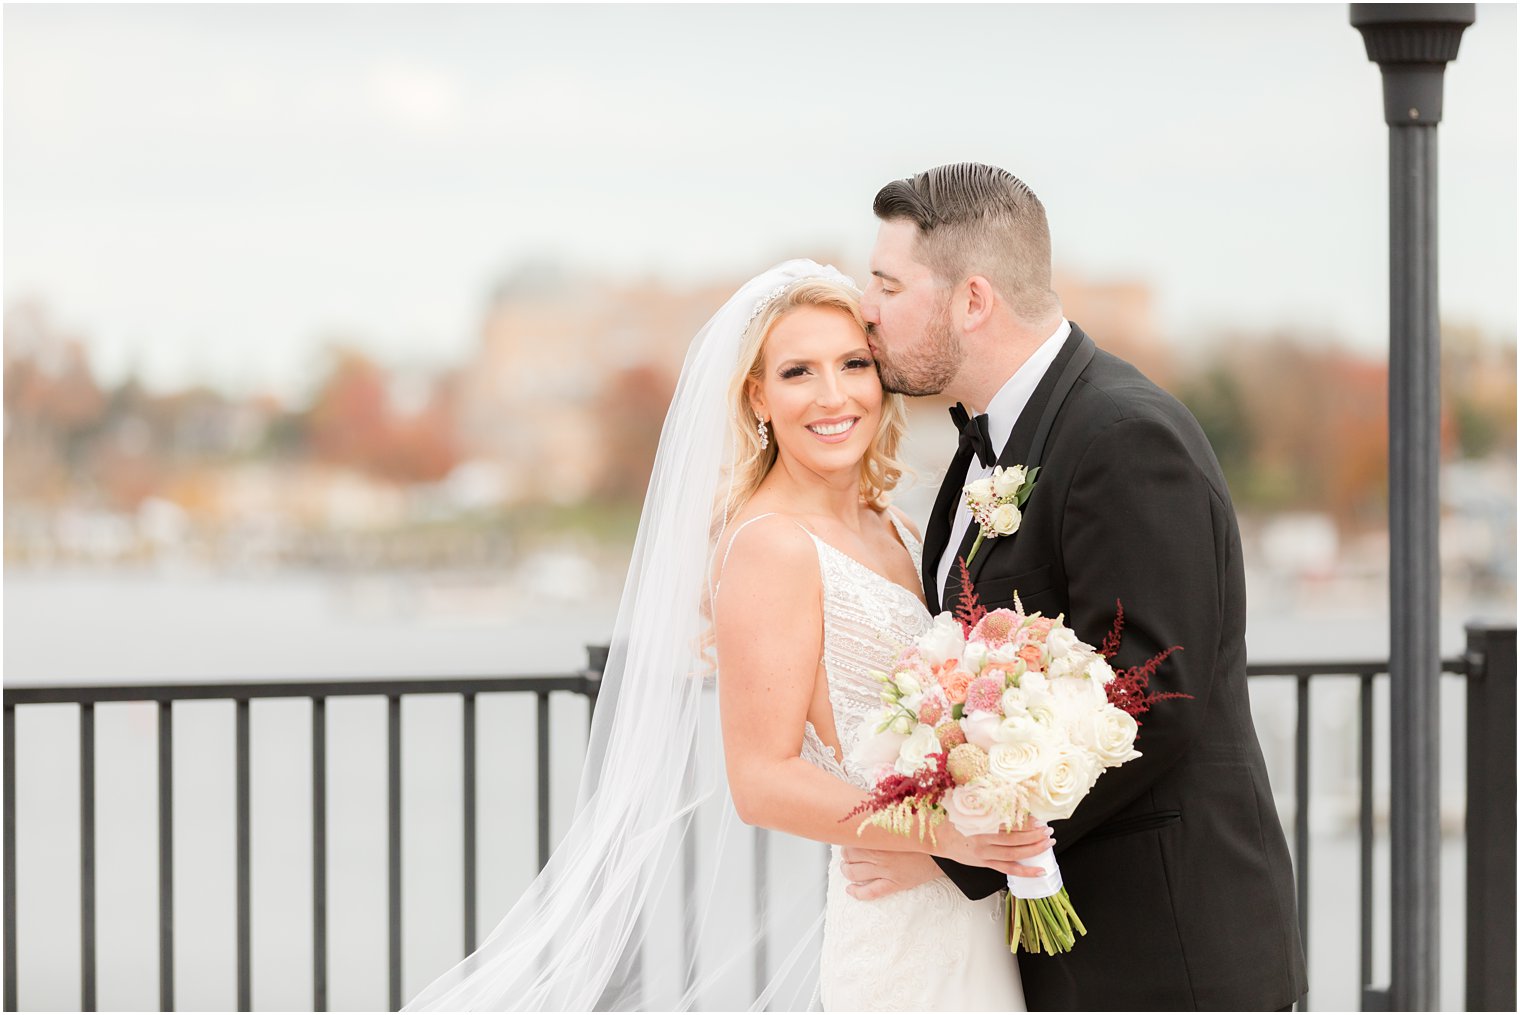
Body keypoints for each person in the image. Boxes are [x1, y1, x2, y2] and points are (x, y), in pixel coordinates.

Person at [402, 260, 1044, 1012]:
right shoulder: (770, 546)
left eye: (853, 364)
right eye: (798, 371)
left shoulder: (898, 525)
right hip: (899, 930)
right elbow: (761, 778)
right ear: (758, 397)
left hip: (963, 904)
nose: (833, 395)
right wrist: (949, 838)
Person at [842, 162, 1309, 1011]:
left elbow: (1153, 693)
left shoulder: (1124, 436)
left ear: (971, 299)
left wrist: (949, 848)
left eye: (886, 284)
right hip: (1072, 955)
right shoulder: (995, 441)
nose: (866, 308)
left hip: (1163, 952)